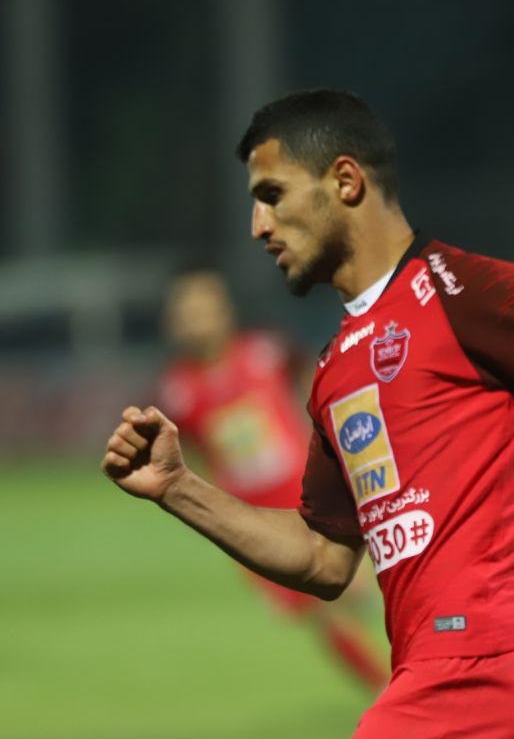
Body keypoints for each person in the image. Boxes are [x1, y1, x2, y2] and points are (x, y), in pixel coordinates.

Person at [102, 90, 514, 737]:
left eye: (272, 195)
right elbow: (323, 557)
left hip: (483, 670)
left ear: (345, 181)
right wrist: (177, 488)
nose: (258, 225)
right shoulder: (335, 367)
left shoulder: (463, 290)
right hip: (472, 674)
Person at [158, 269, 387, 693]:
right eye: (187, 312)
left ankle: (415, 679)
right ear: (174, 323)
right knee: (326, 610)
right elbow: (188, 457)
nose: (197, 319)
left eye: (204, 308)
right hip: (258, 516)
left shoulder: (264, 352)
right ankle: (388, 689)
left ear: (225, 310)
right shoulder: (179, 391)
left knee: (371, 583)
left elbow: (316, 381)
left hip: (315, 492)